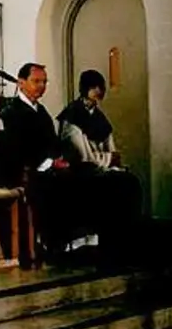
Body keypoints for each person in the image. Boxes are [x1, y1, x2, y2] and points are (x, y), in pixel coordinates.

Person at [0, 63, 81, 258]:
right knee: (53, 185)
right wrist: (50, 164)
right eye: (36, 81)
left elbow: (53, 143)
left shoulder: (40, 112)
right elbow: (16, 150)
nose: (41, 86)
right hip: (13, 171)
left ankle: (72, 239)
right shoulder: (11, 113)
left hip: (39, 167)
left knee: (78, 177)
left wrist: (62, 158)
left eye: (44, 82)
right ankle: (50, 242)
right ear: (21, 83)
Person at [56, 69, 144, 260]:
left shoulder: (99, 117)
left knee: (130, 182)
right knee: (108, 186)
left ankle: (124, 239)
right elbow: (82, 153)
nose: (98, 91)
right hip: (79, 170)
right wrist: (105, 159)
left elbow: (112, 150)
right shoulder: (71, 116)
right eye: (93, 87)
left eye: (99, 87)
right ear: (85, 88)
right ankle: (94, 240)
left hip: (99, 166)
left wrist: (109, 160)